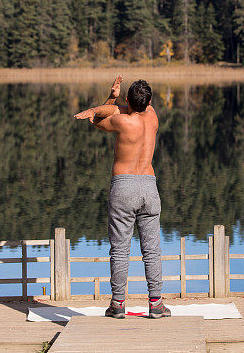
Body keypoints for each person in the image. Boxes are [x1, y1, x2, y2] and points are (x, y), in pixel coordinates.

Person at [74, 76, 171, 319]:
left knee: (119, 250)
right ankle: (156, 303)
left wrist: (110, 98)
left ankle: (118, 304)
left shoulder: (120, 121)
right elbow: (134, 107)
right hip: (149, 186)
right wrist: (121, 100)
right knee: (152, 250)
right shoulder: (153, 117)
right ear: (149, 101)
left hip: (124, 186)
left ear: (128, 99)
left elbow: (97, 121)